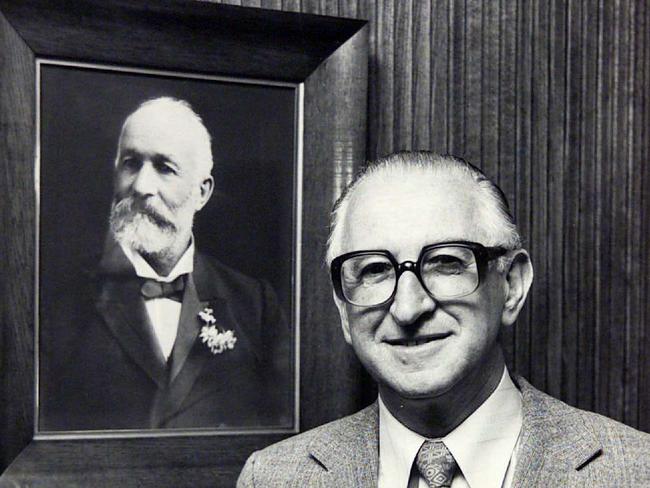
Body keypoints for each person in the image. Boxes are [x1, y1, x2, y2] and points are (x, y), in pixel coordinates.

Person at [238, 152, 649, 487]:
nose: (408, 308)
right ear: (343, 309)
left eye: (445, 263)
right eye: (374, 270)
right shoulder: (274, 478)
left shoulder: (634, 472)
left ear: (512, 285)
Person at [40, 97, 292, 431]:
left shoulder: (255, 305)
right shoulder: (60, 304)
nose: (142, 186)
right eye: (131, 163)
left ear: (202, 193)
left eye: (164, 168)